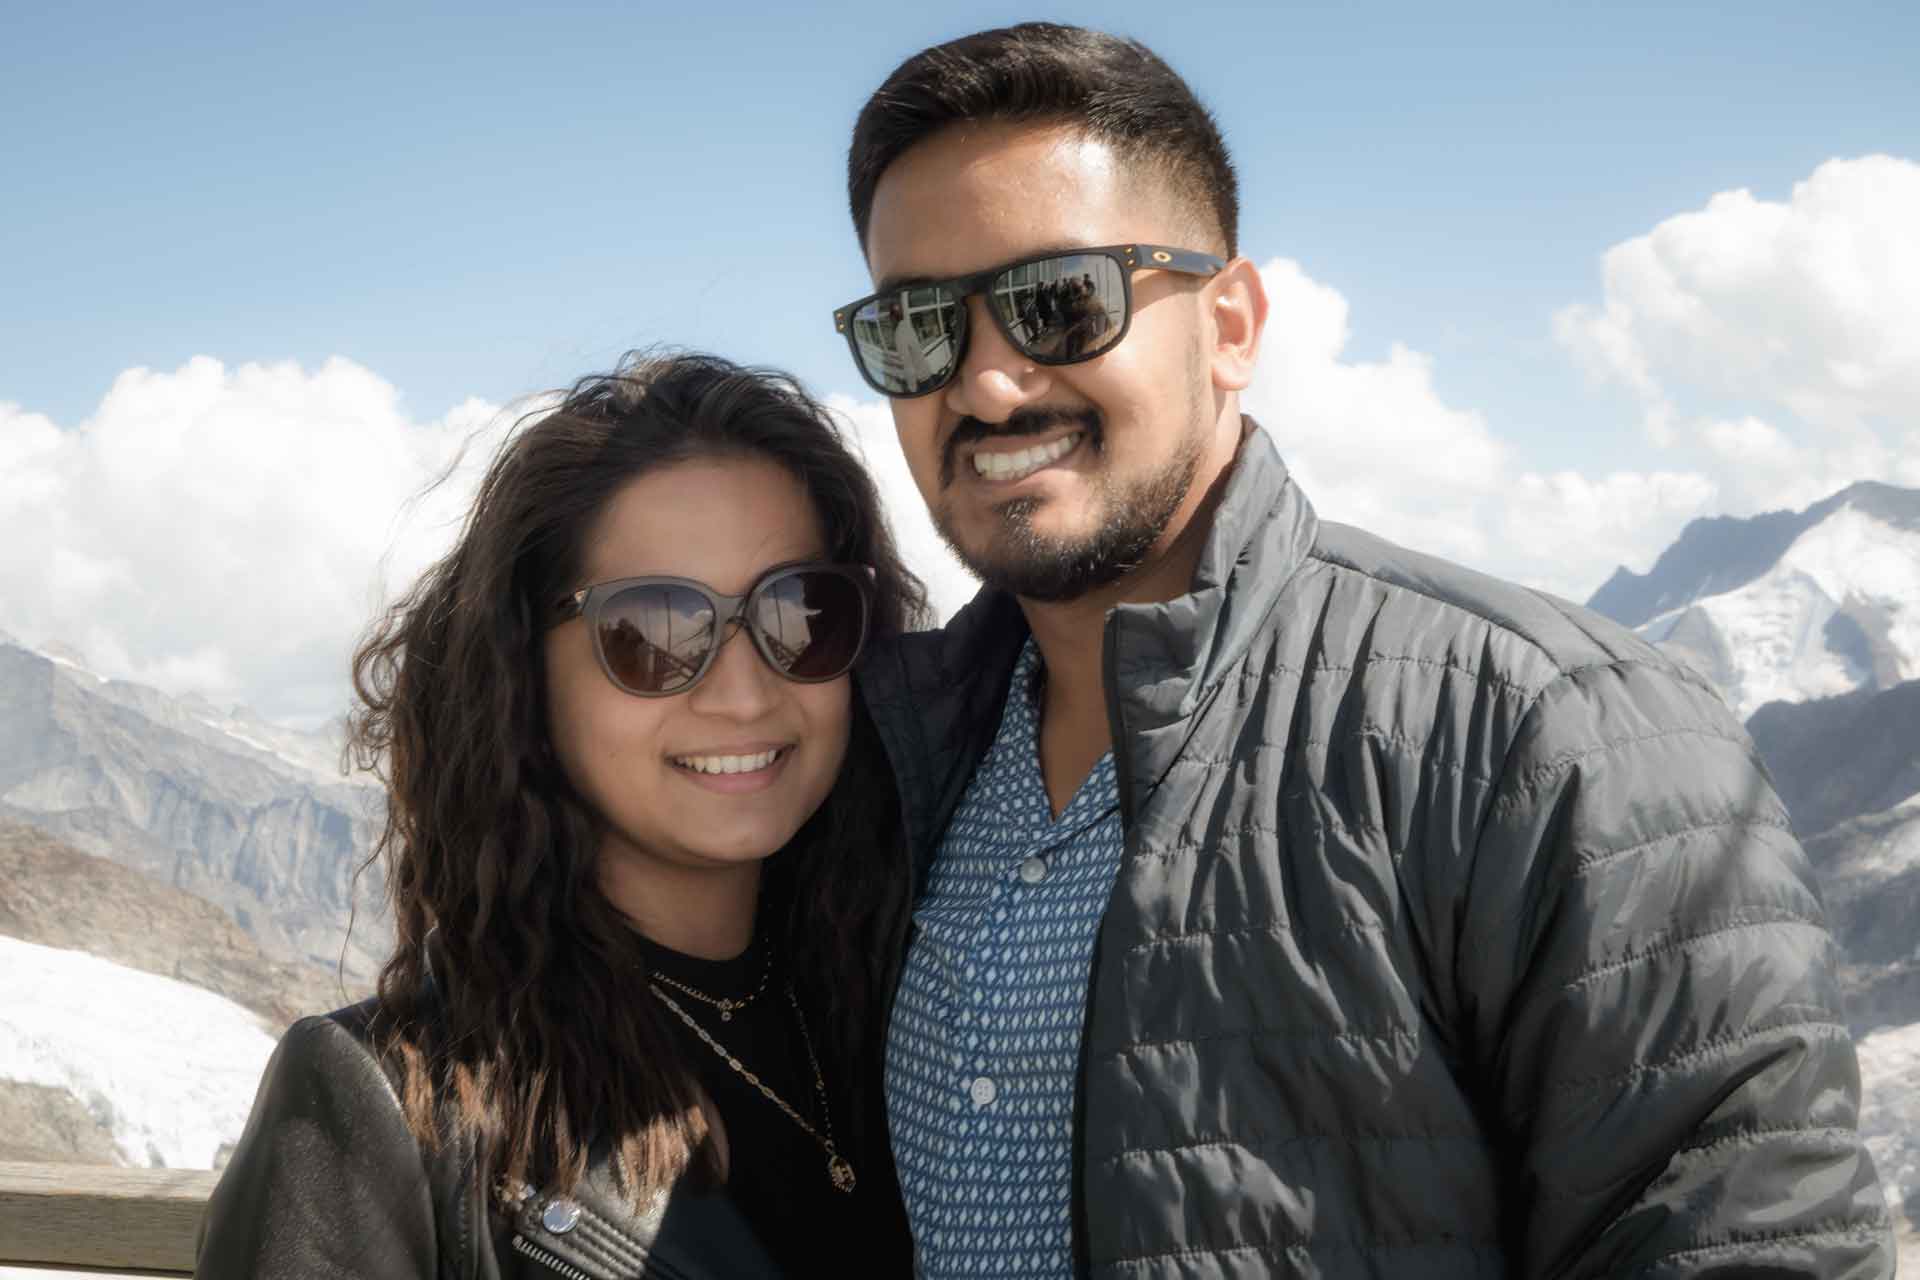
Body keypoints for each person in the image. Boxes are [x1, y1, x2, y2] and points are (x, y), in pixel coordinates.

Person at [832, 23, 1895, 1279]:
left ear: (1230, 324)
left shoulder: (1550, 734)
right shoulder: (889, 762)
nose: (989, 386)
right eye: (917, 329)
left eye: (1059, 304)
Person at [196, 352, 921, 1278]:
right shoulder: (377, 1106)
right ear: (525, 677)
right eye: (654, 632)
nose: (745, 694)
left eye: (801, 612)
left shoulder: (918, 1016)